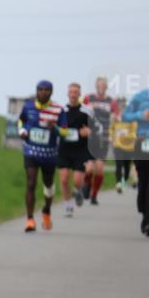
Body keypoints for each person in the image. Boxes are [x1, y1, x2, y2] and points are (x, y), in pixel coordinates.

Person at [17, 81, 68, 233]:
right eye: (40, 90)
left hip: (49, 154)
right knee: (31, 183)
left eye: (46, 90)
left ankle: (46, 211)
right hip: (31, 151)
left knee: (48, 183)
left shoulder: (58, 110)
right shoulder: (28, 106)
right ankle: (30, 219)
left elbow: (65, 132)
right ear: (36, 91)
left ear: (51, 92)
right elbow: (21, 121)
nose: (43, 92)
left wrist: (56, 128)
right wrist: (22, 132)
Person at [122, 67, 149, 237]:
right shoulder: (141, 97)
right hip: (142, 143)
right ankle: (145, 213)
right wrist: (141, 114)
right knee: (144, 182)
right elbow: (125, 116)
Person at [82, 77, 120, 205]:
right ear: (96, 86)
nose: (101, 87)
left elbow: (117, 116)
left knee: (99, 169)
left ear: (106, 87)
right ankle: (86, 183)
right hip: (89, 139)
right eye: (99, 85)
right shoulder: (88, 98)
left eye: (103, 85)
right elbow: (81, 115)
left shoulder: (111, 102)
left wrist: (116, 119)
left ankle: (94, 195)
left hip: (103, 139)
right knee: (89, 169)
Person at [57, 83, 93, 218]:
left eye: (75, 92)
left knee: (77, 181)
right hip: (65, 149)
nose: (73, 94)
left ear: (79, 94)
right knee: (64, 179)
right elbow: (56, 128)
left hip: (80, 150)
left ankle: (78, 190)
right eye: (70, 92)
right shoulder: (62, 111)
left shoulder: (86, 111)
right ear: (68, 94)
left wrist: (89, 131)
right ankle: (68, 205)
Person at [112, 117, 137, 194]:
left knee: (127, 167)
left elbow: (134, 133)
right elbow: (111, 129)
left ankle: (124, 180)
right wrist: (111, 136)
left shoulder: (132, 121)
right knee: (119, 165)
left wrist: (125, 134)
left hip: (129, 147)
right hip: (118, 146)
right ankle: (118, 183)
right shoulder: (116, 119)